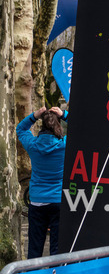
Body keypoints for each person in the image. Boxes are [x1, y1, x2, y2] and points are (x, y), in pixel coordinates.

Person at [16, 106, 68, 258]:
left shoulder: (33, 145)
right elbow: (82, 130)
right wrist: (64, 114)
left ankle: (33, 273)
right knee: (57, 249)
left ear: (42, 125)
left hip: (37, 201)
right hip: (58, 201)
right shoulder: (64, 145)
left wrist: (34, 115)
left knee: (35, 248)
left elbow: (21, 129)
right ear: (58, 126)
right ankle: (56, 273)